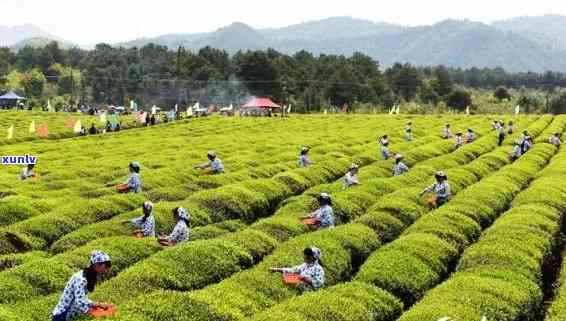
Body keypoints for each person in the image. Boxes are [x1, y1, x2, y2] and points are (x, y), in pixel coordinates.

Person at [51, 251, 113, 321]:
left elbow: (82, 299)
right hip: (62, 316)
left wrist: (98, 304)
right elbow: (80, 302)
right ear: (96, 265)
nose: (106, 270)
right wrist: (96, 313)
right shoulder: (81, 279)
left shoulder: (87, 275)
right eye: (105, 266)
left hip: (70, 315)